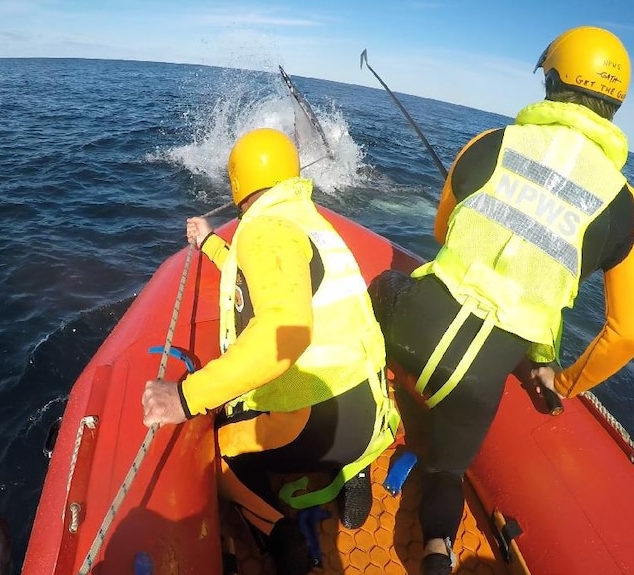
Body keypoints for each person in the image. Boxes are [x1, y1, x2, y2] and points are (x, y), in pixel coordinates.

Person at [367, 26, 634, 575]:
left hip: (417, 324)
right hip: (484, 375)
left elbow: (444, 233)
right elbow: (624, 332)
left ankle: (355, 453)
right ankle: (437, 551)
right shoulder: (624, 205)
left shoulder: (489, 143)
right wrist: (558, 382)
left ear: (554, 81)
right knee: (446, 474)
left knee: (379, 290)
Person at [141, 127, 400, 575]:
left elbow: (285, 330)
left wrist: (185, 397)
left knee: (214, 455)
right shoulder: (310, 221)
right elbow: (264, 275)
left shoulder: (265, 229)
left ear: (238, 184)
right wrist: (212, 245)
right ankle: (354, 472)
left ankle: (281, 539)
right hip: (369, 415)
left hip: (315, 422)